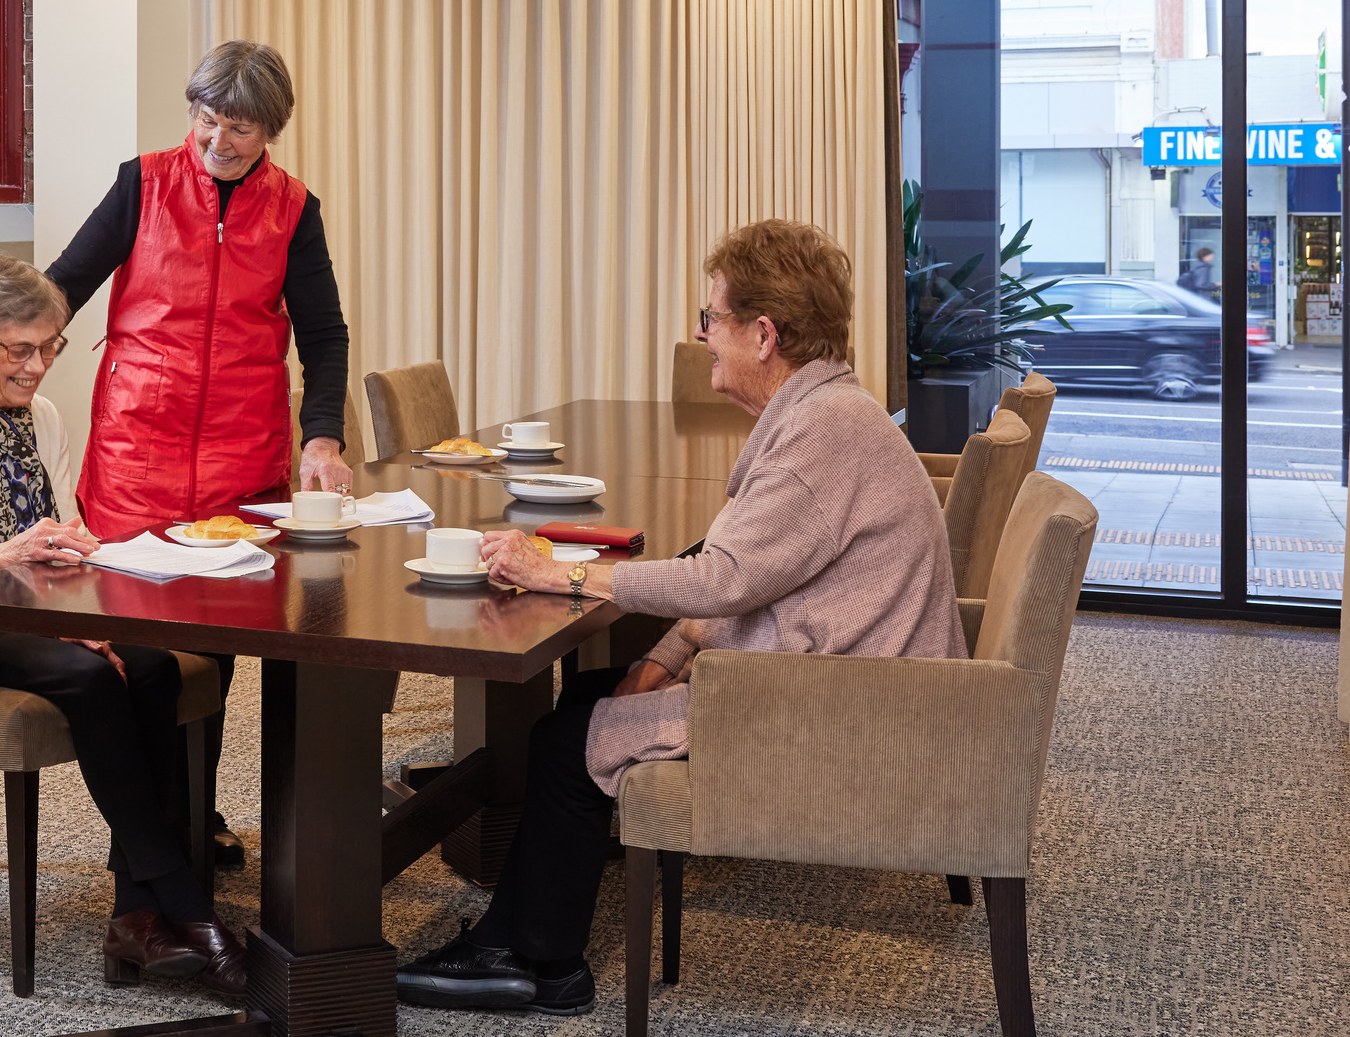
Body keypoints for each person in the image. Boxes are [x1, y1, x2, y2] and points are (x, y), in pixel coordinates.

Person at [394, 220, 964, 1016]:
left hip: (844, 711)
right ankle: (518, 932)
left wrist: (558, 571)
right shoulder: (826, 411)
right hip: (853, 676)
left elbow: (723, 578)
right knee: (593, 700)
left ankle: (536, 961)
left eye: (711, 319)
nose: (702, 337)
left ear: (763, 335)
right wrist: (661, 659)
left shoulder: (817, 439)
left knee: (565, 741)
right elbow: (741, 574)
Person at [0, 255, 245, 1000]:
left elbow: (59, 532)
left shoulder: (41, 418)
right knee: (89, 676)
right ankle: (182, 902)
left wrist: (76, 558)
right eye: (21, 350)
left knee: (155, 665)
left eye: (51, 346)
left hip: (37, 610)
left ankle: (133, 916)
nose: (40, 367)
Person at [45, 39, 354, 865]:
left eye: (241, 128)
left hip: (238, 458)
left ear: (272, 131)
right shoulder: (141, 183)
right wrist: (9, 353)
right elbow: (65, 283)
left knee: (211, 655)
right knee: (138, 649)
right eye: (208, 119)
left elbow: (323, 335)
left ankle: (190, 818)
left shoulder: (293, 209)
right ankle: (150, 837)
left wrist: (322, 432)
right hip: (136, 449)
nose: (219, 140)